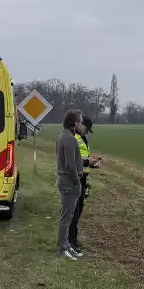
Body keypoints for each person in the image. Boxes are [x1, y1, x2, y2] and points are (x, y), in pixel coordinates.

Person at [68, 117, 102, 255]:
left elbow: (81, 159)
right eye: (86, 129)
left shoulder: (82, 138)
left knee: (78, 212)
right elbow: (73, 160)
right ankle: (69, 242)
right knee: (73, 213)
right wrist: (88, 162)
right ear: (80, 125)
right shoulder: (73, 138)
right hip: (74, 180)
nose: (87, 132)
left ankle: (73, 239)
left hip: (82, 178)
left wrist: (91, 163)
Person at [55, 110, 86, 260]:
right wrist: (76, 180)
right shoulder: (68, 139)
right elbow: (69, 164)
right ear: (73, 123)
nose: (81, 124)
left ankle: (66, 245)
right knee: (66, 218)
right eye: (79, 121)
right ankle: (62, 248)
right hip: (69, 182)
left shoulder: (65, 136)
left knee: (68, 216)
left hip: (68, 181)